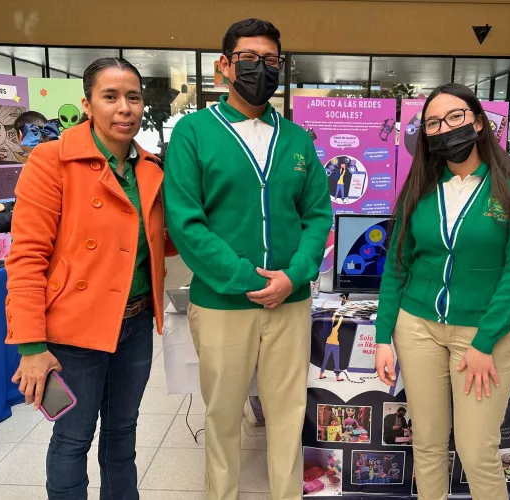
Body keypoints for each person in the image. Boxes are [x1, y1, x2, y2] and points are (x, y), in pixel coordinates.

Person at [163, 18, 332, 500]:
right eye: (249, 59)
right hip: (222, 303)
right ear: (225, 65)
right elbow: (186, 221)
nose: (262, 68)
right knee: (222, 415)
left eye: (271, 60)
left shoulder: (297, 140)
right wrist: (244, 278)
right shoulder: (194, 133)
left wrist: (294, 276)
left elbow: (317, 215)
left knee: (287, 413)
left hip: (290, 302)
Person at [5, 57, 170, 500]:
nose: (124, 108)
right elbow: (26, 257)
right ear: (87, 104)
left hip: (135, 325)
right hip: (72, 331)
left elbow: (160, 241)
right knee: (72, 438)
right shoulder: (52, 160)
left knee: (122, 433)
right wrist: (31, 346)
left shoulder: (150, 168)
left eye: (133, 97)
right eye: (110, 96)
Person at [374, 83, 510, 500]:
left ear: (479, 122)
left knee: (477, 450)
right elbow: (397, 265)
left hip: (481, 334)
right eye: (433, 123)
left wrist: (485, 341)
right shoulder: (422, 184)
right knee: (427, 442)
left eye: (455, 117)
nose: (445, 128)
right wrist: (382, 337)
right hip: (417, 328)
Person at [0, 111, 59, 232]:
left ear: (20, 135)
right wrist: (6, 207)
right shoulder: (55, 158)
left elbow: (34, 215)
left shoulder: (38, 165)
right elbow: (36, 202)